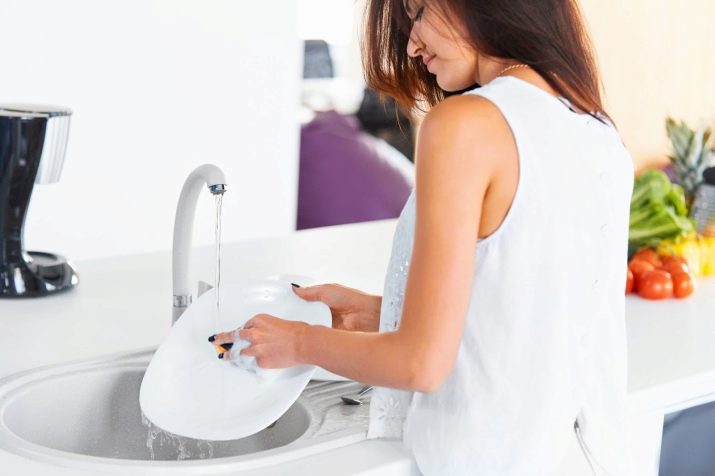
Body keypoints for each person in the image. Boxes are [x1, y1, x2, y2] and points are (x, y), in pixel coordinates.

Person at [210, 0, 635, 474]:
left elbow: (421, 364)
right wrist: (385, 313)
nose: (412, 45)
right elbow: (534, 319)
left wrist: (298, 341)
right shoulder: (596, 129)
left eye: (417, 13)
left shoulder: (465, 124)